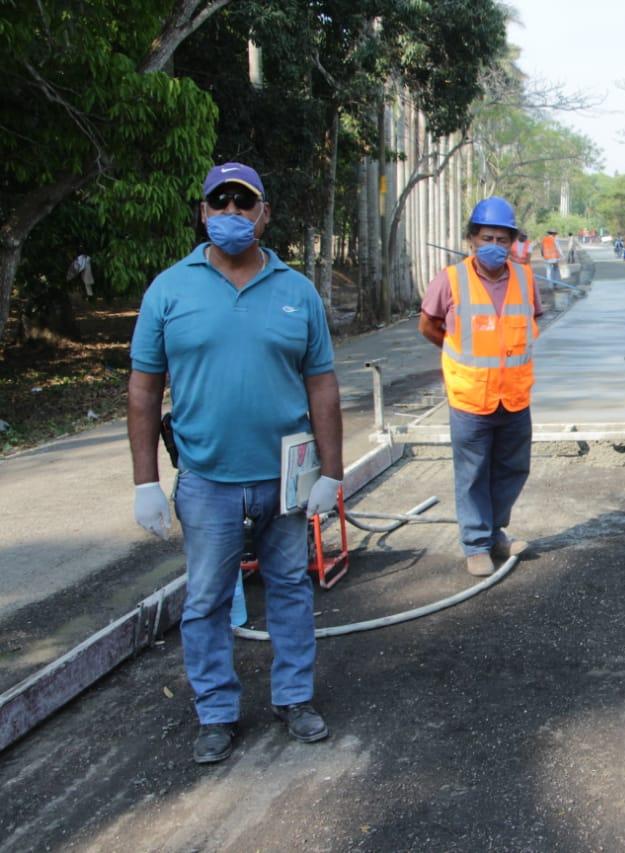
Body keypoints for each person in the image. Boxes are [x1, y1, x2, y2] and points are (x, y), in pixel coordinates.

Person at [128, 161, 343, 765]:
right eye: (218, 204)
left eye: (243, 204)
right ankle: (216, 712)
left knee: (292, 591)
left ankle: (294, 697)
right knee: (206, 600)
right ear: (202, 213)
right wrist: (145, 481)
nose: (230, 215)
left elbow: (322, 384)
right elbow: (144, 388)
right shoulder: (170, 289)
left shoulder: (297, 292)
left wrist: (332, 469)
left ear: (264, 214)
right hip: (206, 481)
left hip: (285, 479)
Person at [419, 197, 542, 577]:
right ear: (471, 239)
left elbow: (531, 322)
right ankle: (475, 544)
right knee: (472, 473)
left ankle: (494, 533)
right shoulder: (451, 279)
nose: (495, 246)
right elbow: (428, 325)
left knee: (512, 469)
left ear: (512, 242)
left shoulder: (524, 277)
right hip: (471, 397)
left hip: (515, 395)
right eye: (487, 237)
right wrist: (456, 350)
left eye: (503, 239)